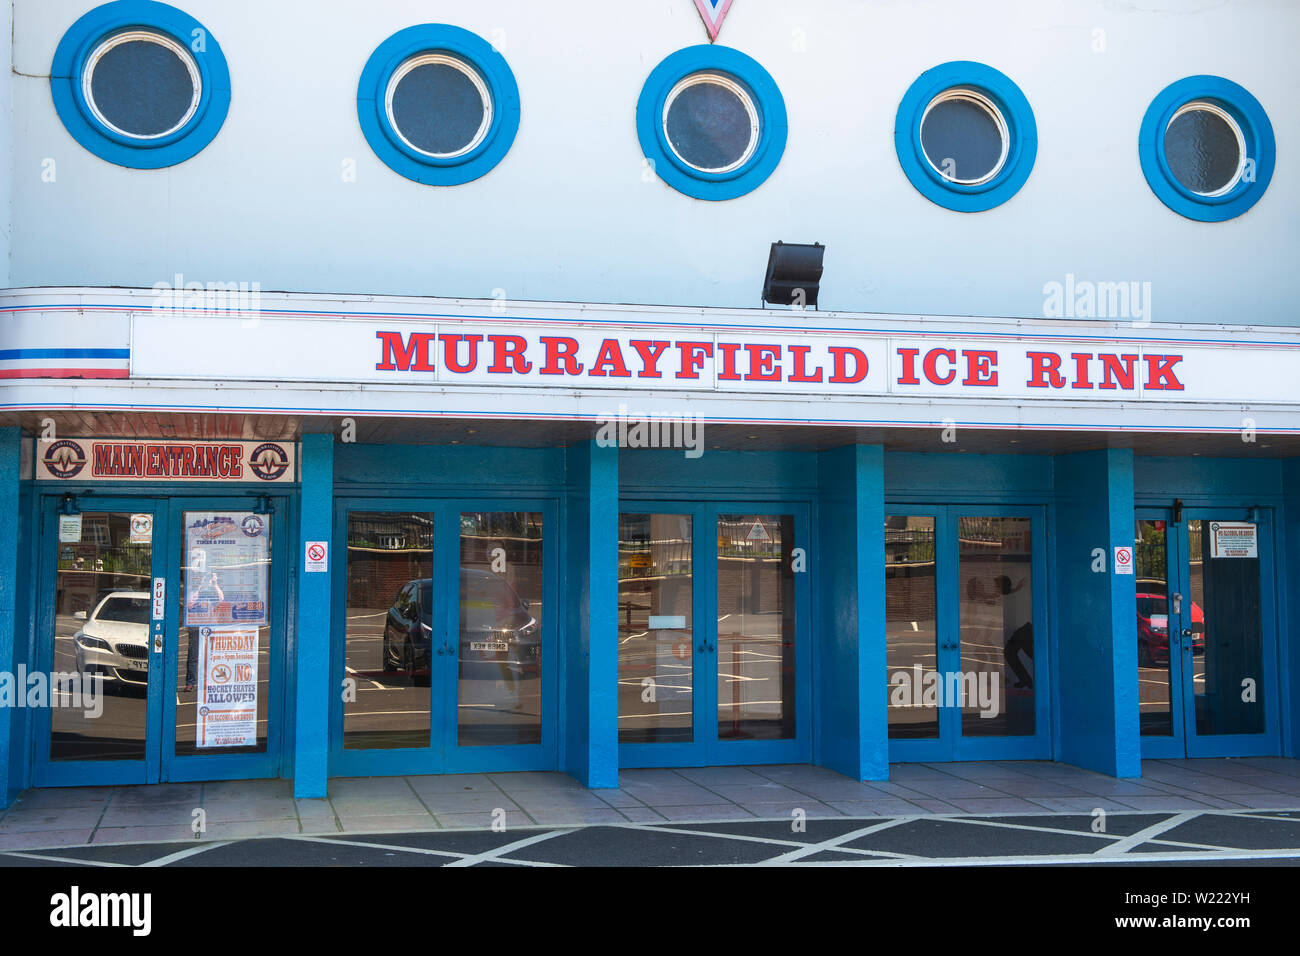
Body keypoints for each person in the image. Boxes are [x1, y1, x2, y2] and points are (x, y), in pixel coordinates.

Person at [185, 572, 224, 692]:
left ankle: (207, 681)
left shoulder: (211, 592)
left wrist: (215, 584)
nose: (205, 581)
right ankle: (190, 683)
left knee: (209, 656)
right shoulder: (194, 592)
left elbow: (221, 598)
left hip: (209, 628)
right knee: (193, 657)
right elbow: (190, 604)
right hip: (196, 628)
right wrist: (200, 588)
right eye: (202, 579)